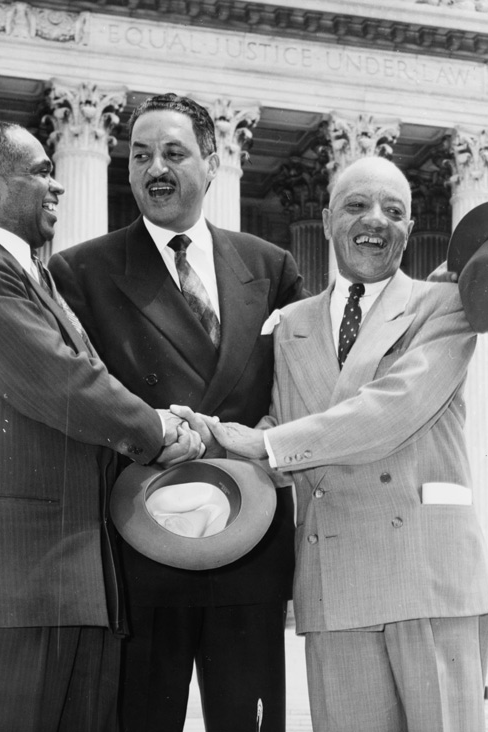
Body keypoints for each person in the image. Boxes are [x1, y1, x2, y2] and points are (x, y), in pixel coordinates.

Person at [0, 119, 200, 732]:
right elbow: (60, 382)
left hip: (67, 584)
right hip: (1, 591)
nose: (58, 185)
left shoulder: (34, 278)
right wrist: (157, 430)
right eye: (40, 171)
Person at [192, 156, 488, 731]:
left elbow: (391, 411)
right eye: (356, 206)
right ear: (327, 220)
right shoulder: (290, 323)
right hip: (334, 578)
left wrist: (267, 444)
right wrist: (210, 439)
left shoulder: (445, 306)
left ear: (410, 228)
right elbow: (278, 433)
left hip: (424, 571)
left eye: (394, 212)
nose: (374, 221)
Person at [48, 93, 306, 732]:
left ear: (212, 161)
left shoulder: (271, 267)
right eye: (139, 155)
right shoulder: (80, 271)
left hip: (249, 540)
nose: (154, 168)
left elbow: (300, 387)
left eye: (173, 152)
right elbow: (76, 398)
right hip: (143, 544)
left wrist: (276, 432)